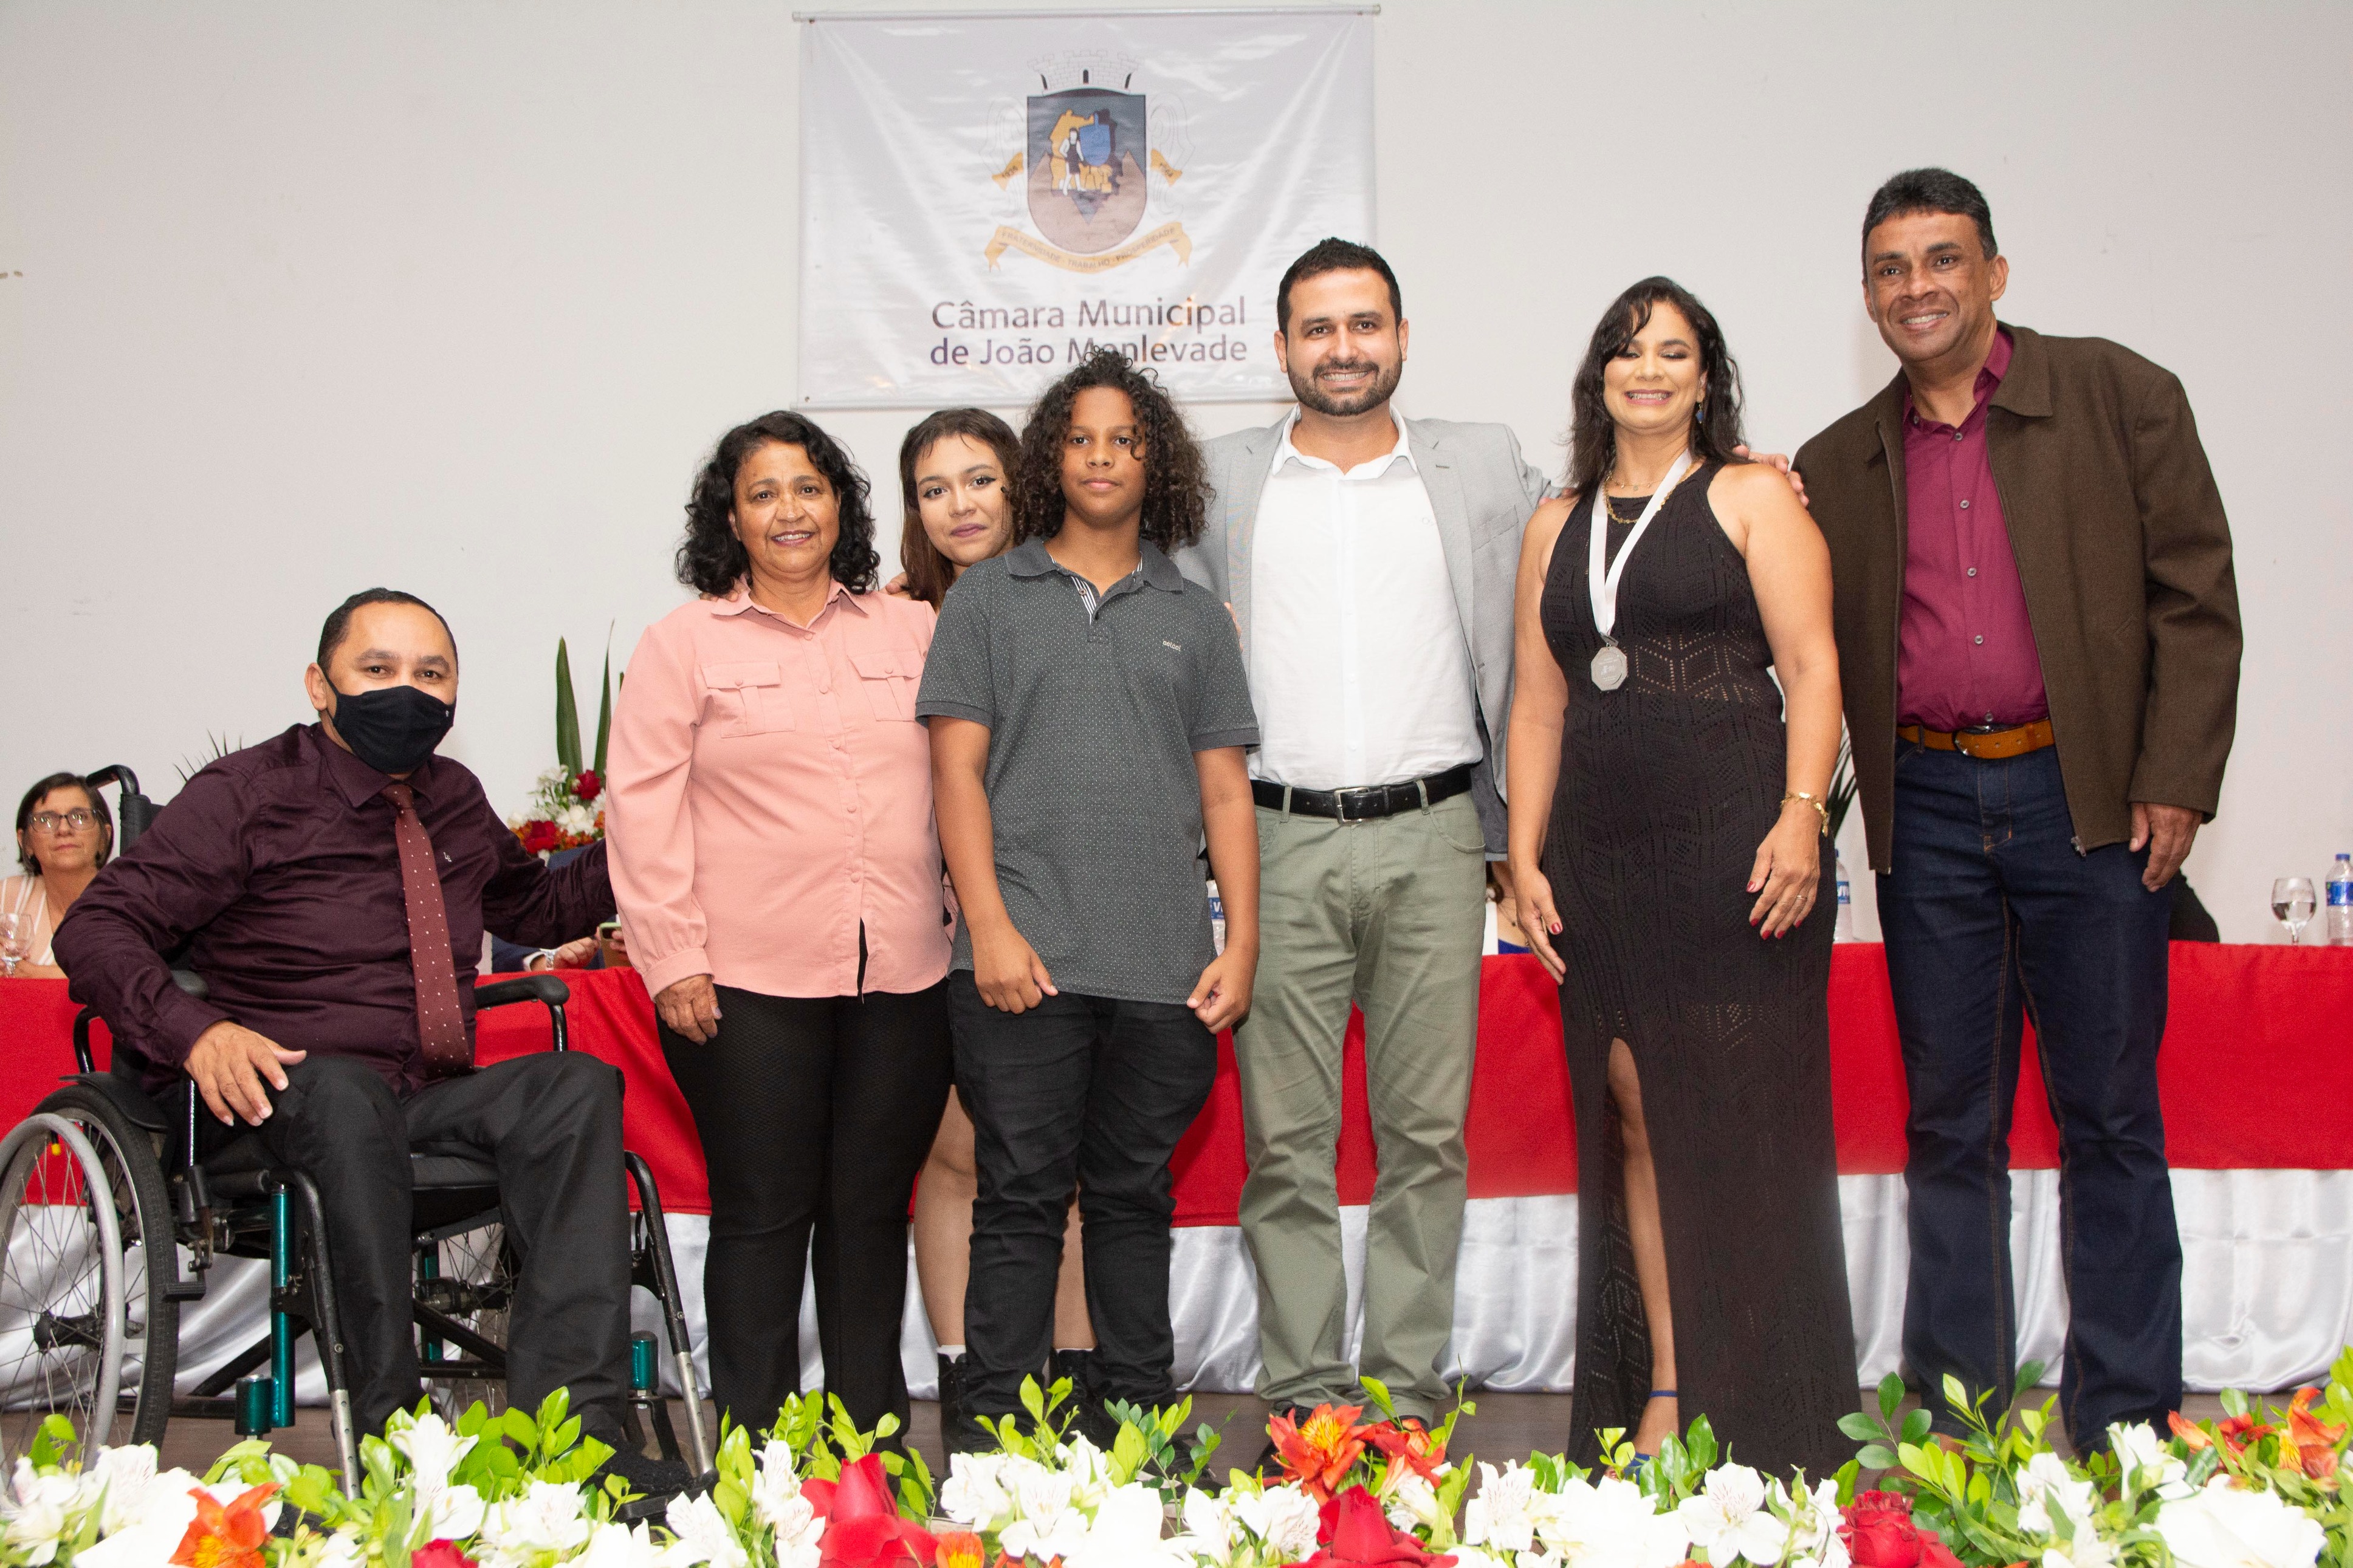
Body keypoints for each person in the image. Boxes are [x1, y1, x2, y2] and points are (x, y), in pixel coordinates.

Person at [1795, 169, 2241, 1449]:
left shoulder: (2120, 394)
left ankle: (2126, 1428)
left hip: (2085, 805)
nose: (1916, 288)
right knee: (1950, 1128)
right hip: (1926, 806)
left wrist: (2173, 772)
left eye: (1943, 259)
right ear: (1866, 294)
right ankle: (1960, 1435)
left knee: (2109, 1117)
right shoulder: (1837, 462)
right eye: (1890, 268)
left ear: (1994, 272)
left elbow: (2195, 600)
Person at [50, 590, 675, 1488]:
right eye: (377, 670)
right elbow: (97, 926)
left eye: (431, 674)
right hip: (271, 1098)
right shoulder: (247, 795)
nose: (406, 692)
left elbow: (537, 907)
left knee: (574, 1085)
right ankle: (399, 1447)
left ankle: (581, 1444)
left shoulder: (453, 797)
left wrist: (659, 828)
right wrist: (198, 1033)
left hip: (415, 1095)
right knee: (344, 1093)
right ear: (320, 685)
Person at [1172, 237, 1544, 1443]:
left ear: (1401, 336)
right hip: (1275, 842)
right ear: (1281, 347)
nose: (1344, 348)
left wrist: (1742, 473)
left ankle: (1402, 1399)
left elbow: (1610, 508)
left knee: (1424, 1138)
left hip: (1438, 839)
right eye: (1319, 328)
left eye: (1365, 324)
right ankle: (1304, 1405)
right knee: (1285, 1143)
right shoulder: (1216, 479)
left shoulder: (1480, 463)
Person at [1508, 278, 1855, 1474]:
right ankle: (1667, 1379)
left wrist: (1802, 819)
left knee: (1742, 1128)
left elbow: (1814, 669)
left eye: (1671, 351)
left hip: (1739, 856)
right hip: (1598, 864)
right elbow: (1537, 704)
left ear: (1706, 378)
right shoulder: (1553, 525)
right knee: (1636, 1120)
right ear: (1596, 376)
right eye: (1626, 349)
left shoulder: (1752, 496)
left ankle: (1764, 1402)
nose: (1646, 369)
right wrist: (1521, 855)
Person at [917, 347, 1259, 1451]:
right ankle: (991, 1449)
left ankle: (1138, 1439)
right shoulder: (986, 598)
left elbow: (1225, 791)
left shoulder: (1195, 617)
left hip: (1165, 969)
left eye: (1125, 439)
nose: (1101, 456)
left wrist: (1242, 943)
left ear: (1156, 463)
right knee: (1019, 1198)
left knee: (1132, 1200)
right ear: (1050, 459)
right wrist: (991, 928)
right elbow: (955, 776)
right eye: (1080, 438)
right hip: (1022, 962)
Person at [606, 411, 952, 1442]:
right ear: (731, 517)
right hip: (743, 984)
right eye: (763, 493)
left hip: (904, 974)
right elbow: (641, 810)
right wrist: (672, 957)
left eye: (808, 488)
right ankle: (751, 1454)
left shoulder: (912, 630)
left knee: (867, 1215)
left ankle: (870, 1452)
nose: (789, 510)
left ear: (840, 504)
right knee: (763, 1214)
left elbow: (966, 781)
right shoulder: (683, 645)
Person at [892, 407, 1099, 1434]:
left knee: (1051, 1165)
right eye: (934, 489)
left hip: (1045, 918)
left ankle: (1071, 1377)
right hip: (920, 930)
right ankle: (964, 1368)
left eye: (979, 479)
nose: (960, 505)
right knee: (956, 1153)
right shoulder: (892, 624)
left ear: (1020, 484)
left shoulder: (1078, 600)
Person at [5, 773, 115, 977]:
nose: (64, 830)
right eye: (46, 820)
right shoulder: (7, 896)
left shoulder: (127, 900)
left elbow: (127, 977)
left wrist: (36, 974)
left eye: (80, 817)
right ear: (25, 842)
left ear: (104, 837)